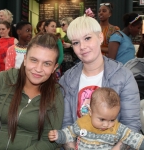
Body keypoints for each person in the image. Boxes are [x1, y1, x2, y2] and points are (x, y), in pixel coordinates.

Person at [59, 15, 141, 149]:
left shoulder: (123, 76)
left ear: (100, 38)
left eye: (87, 38)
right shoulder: (67, 79)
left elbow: (131, 124)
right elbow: (65, 125)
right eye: (75, 42)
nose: (82, 46)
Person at [0, 33, 64, 149]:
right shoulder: (3, 79)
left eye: (47, 63)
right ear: (25, 59)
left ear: (54, 68)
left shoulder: (54, 93)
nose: (38, 69)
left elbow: (50, 140)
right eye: (34, 60)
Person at [49, 87, 144, 150]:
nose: (107, 124)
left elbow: (134, 138)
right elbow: (69, 133)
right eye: (102, 119)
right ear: (90, 112)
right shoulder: (82, 124)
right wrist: (58, 135)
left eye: (112, 120)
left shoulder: (117, 128)